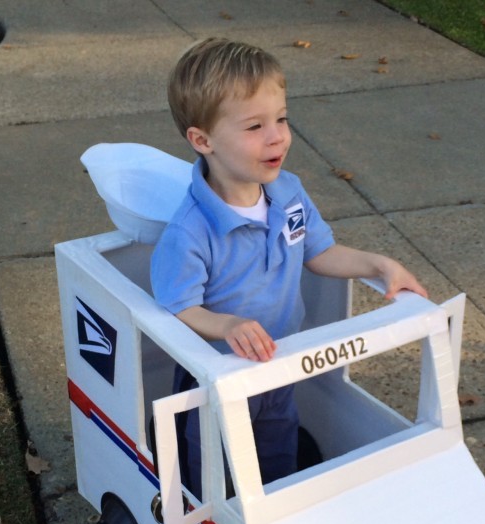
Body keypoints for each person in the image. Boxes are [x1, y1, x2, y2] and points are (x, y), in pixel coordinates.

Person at [151, 37, 427, 497]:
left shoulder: (288, 194)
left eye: (281, 118)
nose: (277, 135)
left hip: (279, 361)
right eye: (255, 126)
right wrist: (229, 324)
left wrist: (379, 265)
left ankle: (279, 516)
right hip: (216, 379)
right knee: (213, 467)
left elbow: (319, 252)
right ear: (203, 140)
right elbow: (180, 308)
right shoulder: (190, 232)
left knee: (277, 451)